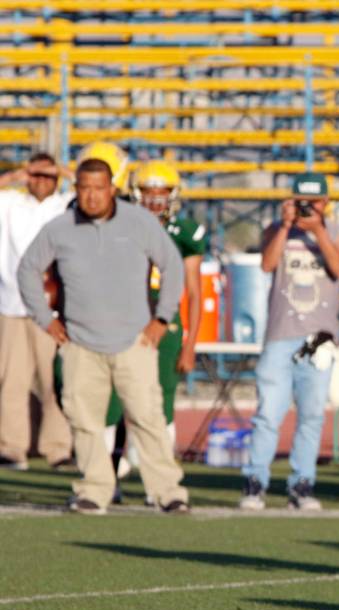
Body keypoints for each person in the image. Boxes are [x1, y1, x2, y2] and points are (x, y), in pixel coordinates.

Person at [16, 158, 189, 515]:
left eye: (99, 188)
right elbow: (27, 270)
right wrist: (45, 320)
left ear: (112, 189)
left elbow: (172, 265)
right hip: (80, 343)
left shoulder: (139, 222)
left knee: (148, 418)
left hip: (134, 342)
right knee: (85, 422)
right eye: (84, 188)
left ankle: (168, 492)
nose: (92, 196)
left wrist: (162, 317)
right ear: (76, 189)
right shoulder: (59, 228)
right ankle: (95, 490)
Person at [240, 173, 339, 512]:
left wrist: (318, 230)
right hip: (280, 334)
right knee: (267, 414)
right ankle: (255, 482)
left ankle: (302, 485)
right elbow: (267, 263)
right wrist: (286, 225)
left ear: (325, 203)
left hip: (320, 339)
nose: (308, 208)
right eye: (303, 202)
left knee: (311, 416)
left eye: (314, 203)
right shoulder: (277, 230)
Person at [105, 161, 208, 503]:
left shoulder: (184, 232)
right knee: (113, 401)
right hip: (123, 319)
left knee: (161, 402)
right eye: (148, 193)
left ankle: (160, 484)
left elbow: (194, 292)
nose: (154, 200)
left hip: (164, 322)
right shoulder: (119, 225)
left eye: (161, 193)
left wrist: (190, 345)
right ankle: (107, 477)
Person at [0, 152, 73, 471]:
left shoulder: (65, 205)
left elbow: (97, 191)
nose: (41, 181)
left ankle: (58, 448)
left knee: (53, 380)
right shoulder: (11, 203)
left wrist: (61, 170)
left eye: (47, 176)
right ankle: (11, 447)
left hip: (51, 307)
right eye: (36, 175)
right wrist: (18, 174)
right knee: (11, 381)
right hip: (12, 304)